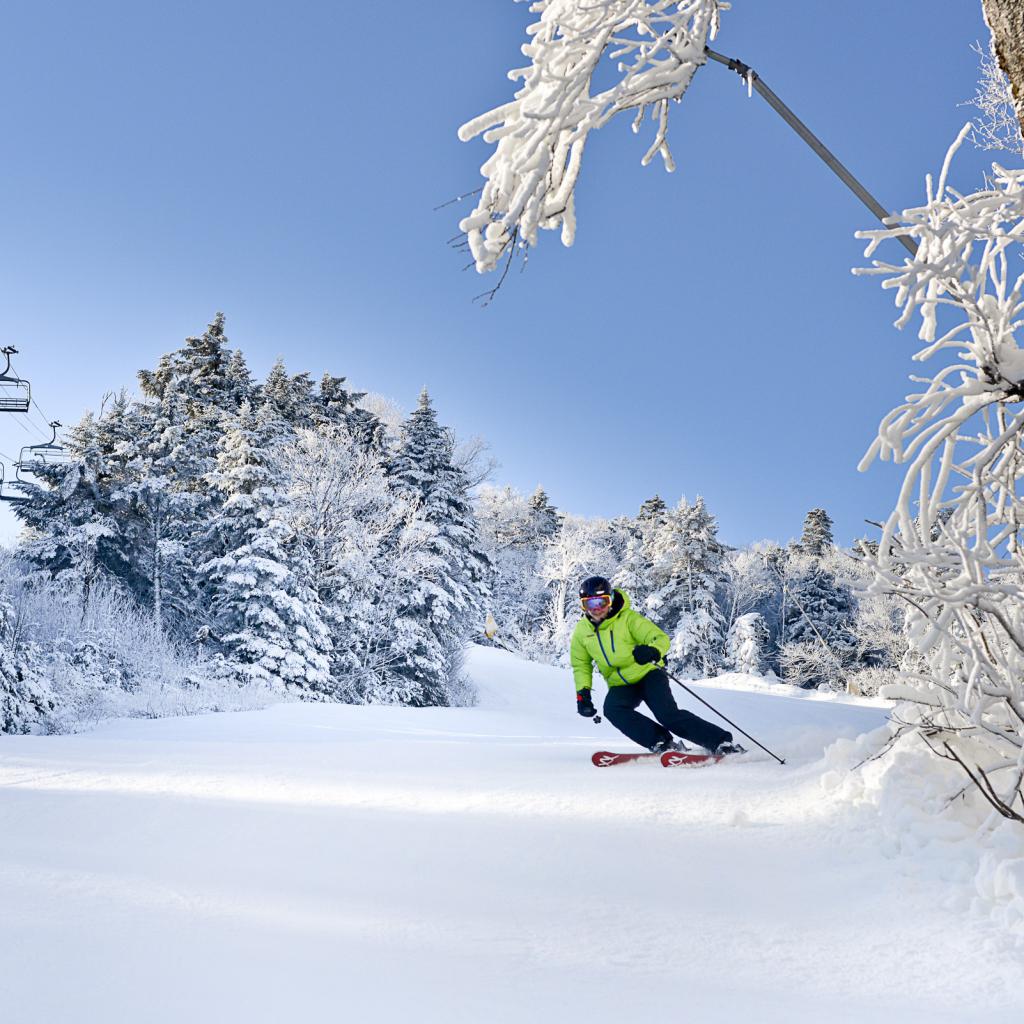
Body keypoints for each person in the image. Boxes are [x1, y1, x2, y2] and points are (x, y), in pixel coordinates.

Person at [570, 575, 744, 755]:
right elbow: (581, 664)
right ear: (583, 606)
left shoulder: (628, 619)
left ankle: (720, 742)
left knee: (667, 715)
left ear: (611, 599)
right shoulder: (582, 632)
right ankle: (660, 741)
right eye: (590, 604)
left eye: (601, 602)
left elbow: (659, 638)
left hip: (648, 674)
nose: (596, 609)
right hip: (620, 683)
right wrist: (583, 694)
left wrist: (652, 651)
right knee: (613, 709)